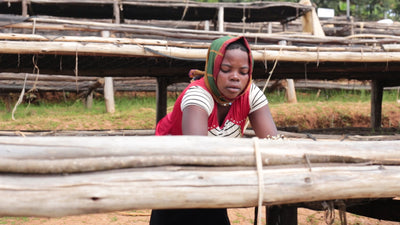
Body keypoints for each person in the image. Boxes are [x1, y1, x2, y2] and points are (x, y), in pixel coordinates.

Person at [150, 35, 278, 225]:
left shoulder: (251, 94)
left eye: (243, 72)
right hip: (172, 173)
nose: (235, 77)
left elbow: (274, 146)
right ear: (213, 69)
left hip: (213, 179)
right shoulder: (197, 95)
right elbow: (199, 153)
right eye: (226, 70)